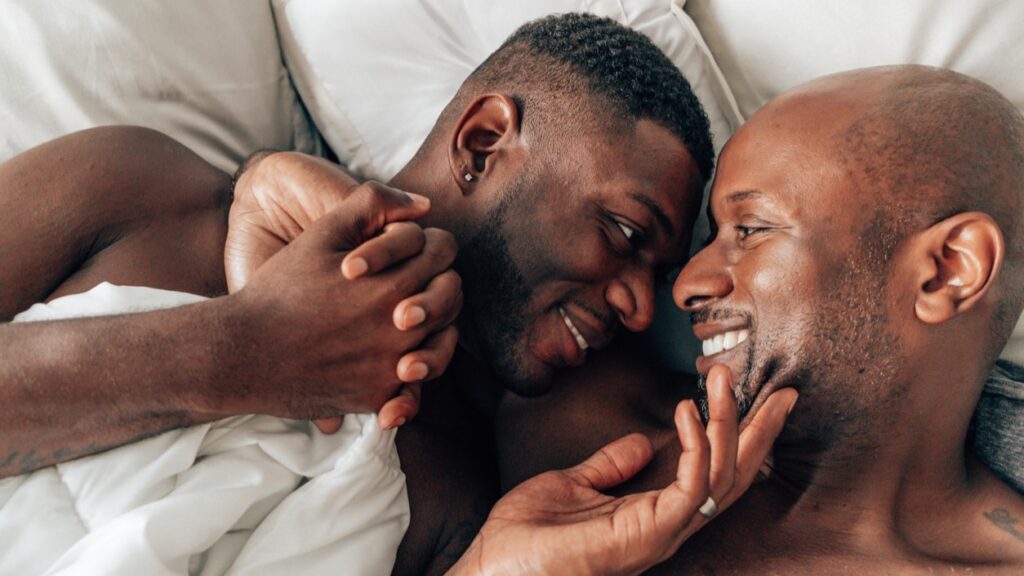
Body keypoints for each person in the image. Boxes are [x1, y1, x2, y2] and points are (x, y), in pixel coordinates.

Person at [0, 13, 796, 575]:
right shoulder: (131, 189)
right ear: (483, 142)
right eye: (624, 234)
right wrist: (251, 350)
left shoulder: (471, 500)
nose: (640, 308)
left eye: (656, 277)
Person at [498, 64, 1024, 573]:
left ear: (947, 271)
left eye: (750, 229)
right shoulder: (582, 442)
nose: (686, 287)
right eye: (712, 236)